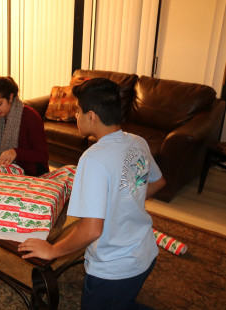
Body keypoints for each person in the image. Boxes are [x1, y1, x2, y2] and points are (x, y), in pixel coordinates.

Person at [18, 78, 166, 309]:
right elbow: (157, 183)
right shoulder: (139, 142)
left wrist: (52, 250)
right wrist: (125, 200)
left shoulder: (93, 159)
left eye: (77, 110)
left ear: (92, 117)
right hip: (146, 252)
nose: (75, 115)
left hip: (115, 269)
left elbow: (91, 229)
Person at [0, 76, 49, 176]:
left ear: (10, 97)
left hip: (33, 173)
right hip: (10, 170)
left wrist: (16, 153)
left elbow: (43, 156)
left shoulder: (30, 116)